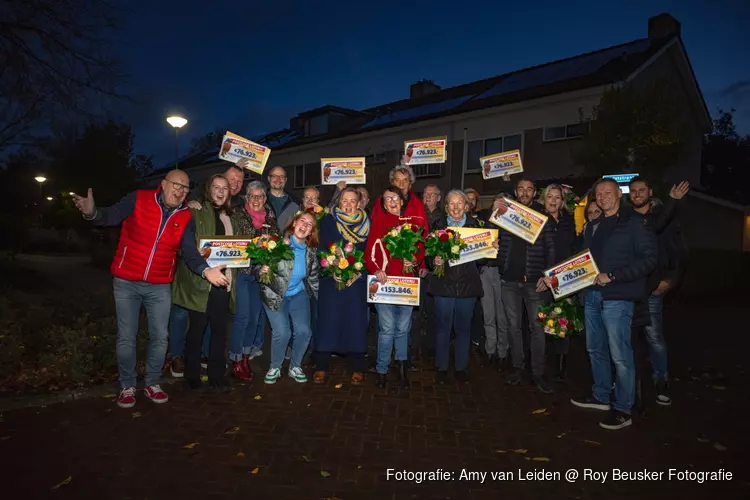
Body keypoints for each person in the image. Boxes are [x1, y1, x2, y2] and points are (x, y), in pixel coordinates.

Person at [72, 170, 227, 408]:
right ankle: (127, 386)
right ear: (163, 184)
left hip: (159, 284)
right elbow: (110, 216)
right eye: (176, 185)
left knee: (160, 337)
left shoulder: (185, 215)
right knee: (127, 336)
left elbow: (189, 251)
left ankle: (152, 383)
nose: (180, 191)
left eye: (185, 188)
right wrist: (92, 213)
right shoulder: (139, 199)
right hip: (126, 281)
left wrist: (206, 270)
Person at [570, 178, 657, 430]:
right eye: (599, 193)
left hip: (618, 296)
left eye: (608, 192)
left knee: (620, 355)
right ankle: (601, 396)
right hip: (592, 296)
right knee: (595, 349)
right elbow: (581, 262)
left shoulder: (634, 223)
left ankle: (623, 408)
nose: (603, 196)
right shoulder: (592, 226)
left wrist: (615, 276)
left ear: (620, 193)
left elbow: (649, 259)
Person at [170, 164, 247, 377]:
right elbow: (186, 246)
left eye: (225, 188)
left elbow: (240, 249)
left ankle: (216, 375)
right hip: (200, 282)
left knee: (219, 331)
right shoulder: (195, 211)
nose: (221, 191)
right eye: (216, 187)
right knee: (196, 330)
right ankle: (192, 376)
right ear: (209, 189)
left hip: (224, 282)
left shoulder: (232, 216)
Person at [628, 177, 689, 406]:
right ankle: (626, 382)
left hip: (653, 289)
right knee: (626, 338)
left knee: (654, 337)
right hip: (629, 288)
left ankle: (661, 379)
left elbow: (678, 253)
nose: (637, 194)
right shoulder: (627, 219)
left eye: (641, 190)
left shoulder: (664, 219)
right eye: (633, 191)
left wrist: (670, 281)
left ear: (650, 191)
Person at [493, 178, 556, 394]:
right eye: (521, 188)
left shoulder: (542, 217)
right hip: (509, 280)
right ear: (516, 191)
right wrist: (495, 248)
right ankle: (517, 368)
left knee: (537, 328)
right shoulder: (506, 214)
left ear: (534, 193)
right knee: (513, 327)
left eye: (529, 189)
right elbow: (497, 241)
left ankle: (537, 372)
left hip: (533, 281)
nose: (525, 192)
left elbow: (551, 249)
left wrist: (548, 276)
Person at [365, 188, 425, 389]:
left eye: (395, 198)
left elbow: (420, 249)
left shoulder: (411, 225)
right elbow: (369, 253)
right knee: (387, 328)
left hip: (406, 284)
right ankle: (382, 369)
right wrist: (376, 270)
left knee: (402, 328)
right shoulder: (379, 224)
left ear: (402, 201)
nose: (391, 201)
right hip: (384, 284)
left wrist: (414, 259)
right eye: (387, 199)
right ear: (383, 203)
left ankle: (401, 368)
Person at [428, 190, 488, 384]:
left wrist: (490, 247)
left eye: (459, 203)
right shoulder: (437, 225)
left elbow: (483, 259)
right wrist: (433, 260)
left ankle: (461, 367)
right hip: (443, 285)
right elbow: (428, 253)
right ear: (446, 207)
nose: (455, 207)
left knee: (463, 329)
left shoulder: (476, 227)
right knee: (443, 328)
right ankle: (442, 367)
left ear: (466, 206)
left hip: (467, 286)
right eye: (451, 204)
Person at [314, 187, 371, 385]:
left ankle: (357, 366)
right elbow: (322, 249)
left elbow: (369, 251)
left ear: (359, 202)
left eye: (352, 201)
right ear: (339, 202)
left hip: (356, 280)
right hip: (332, 279)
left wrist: (358, 272)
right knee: (328, 320)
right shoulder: (329, 220)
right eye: (344, 201)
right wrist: (333, 269)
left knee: (355, 321)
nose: (348, 205)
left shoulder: (366, 222)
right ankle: (321, 365)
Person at [256, 211, 320, 384]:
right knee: (283, 332)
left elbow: (313, 278)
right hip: (275, 294)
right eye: (302, 221)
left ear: (311, 231)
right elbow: (258, 267)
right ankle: (275, 366)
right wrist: (262, 270)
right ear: (294, 223)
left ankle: (295, 366)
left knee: (304, 331)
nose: (304, 226)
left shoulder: (311, 252)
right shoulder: (277, 244)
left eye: (309, 225)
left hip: (298, 294)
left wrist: (322, 298)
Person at [228, 180, 278, 381]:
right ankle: (235, 359)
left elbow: (276, 242)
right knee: (242, 317)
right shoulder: (236, 214)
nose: (256, 200)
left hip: (261, 275)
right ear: (247, 198)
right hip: (242, 272)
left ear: (265, 198)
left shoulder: (271, 217)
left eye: (260, 196)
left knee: (255, 318)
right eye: (253, 196)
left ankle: (245, 356)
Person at [540, 184, 577, 382]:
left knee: (562, 322)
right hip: (542, 280)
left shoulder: (568, 222)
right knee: (542, 321)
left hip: (564, 279)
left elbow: (573, 250)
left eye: (557, 197)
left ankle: (561, 366)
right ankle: (541, 364)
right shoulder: (537, 220)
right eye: (549, 197)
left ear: (562, 202)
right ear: (543, 200)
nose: (553, 201)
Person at [478, 193, 509, 370]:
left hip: (502, 271)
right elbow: (487, 233)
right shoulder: (486, 216)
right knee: (488, 313)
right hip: (486, 270)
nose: (501, 204)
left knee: (502, 315)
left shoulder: (513, 221)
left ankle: (503, 351)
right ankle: (490, 350)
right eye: (498, 201)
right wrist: (493, 211)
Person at [266, 166, 300, 230]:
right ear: (268, 178)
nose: (278, 179)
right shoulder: (260, 201)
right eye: (274, 176)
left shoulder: (295, 203)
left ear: (285, 180)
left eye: (282, 176)